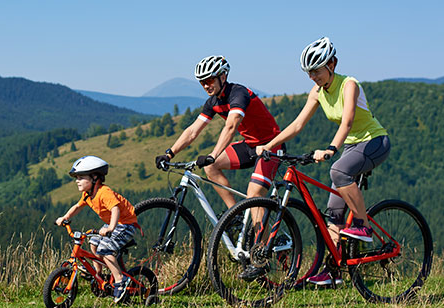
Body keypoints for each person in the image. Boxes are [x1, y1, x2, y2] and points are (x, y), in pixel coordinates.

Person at [256, 37, 391, 287]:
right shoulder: (317, 92)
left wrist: (331, 148)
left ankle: (363, 225)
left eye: (316, 70)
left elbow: (347, 122)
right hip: (351, 146)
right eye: (309, 72)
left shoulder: (349, 85)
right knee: (333, 212)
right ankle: (333, 271)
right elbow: (297, 125)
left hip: (374, 141)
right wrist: (270, 145)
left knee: (338, 170)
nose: (312, 77)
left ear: (332, 64)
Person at [155, 55, 285, 208]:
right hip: (250, 146)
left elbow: (231, 126)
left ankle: (259, 232)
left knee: (254, 196)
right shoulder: (213, 102)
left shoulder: (238, 94)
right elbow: (192, 131)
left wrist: (213, 155)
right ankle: (234, 216)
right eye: (202, 82)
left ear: (223, 77)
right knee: (211, 167)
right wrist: (170, 153)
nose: (205, 86)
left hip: (271, 145)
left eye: (209, 80)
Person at [55, 155, 139, 302]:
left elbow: (115, 209)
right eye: (77, 177)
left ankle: (120, 280)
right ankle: (98, 275)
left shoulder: (103, 192)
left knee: (105, 249)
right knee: (94, 243)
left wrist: (111, 228)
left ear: (94, 177)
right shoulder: (88, 194)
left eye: (81, 177)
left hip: (125, 224)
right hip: (113, 224)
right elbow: (77, 207)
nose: (77, 181)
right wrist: (65, 217)